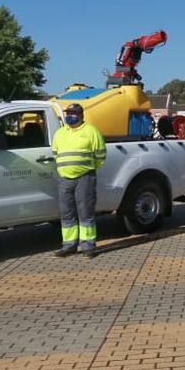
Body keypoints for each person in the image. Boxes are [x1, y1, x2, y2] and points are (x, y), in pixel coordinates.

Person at [52, 102, 107, 258]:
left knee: (85, 213)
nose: (70, 116)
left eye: (74, 113)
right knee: (66, 213)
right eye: (68, 113)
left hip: (85, 178)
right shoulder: (60, 133)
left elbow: (101, 155)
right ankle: (69, 245)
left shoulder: (91, 131)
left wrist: (87, 168)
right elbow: (56, 152)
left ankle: (88, 246)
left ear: (81, 115)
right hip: (65, 179)